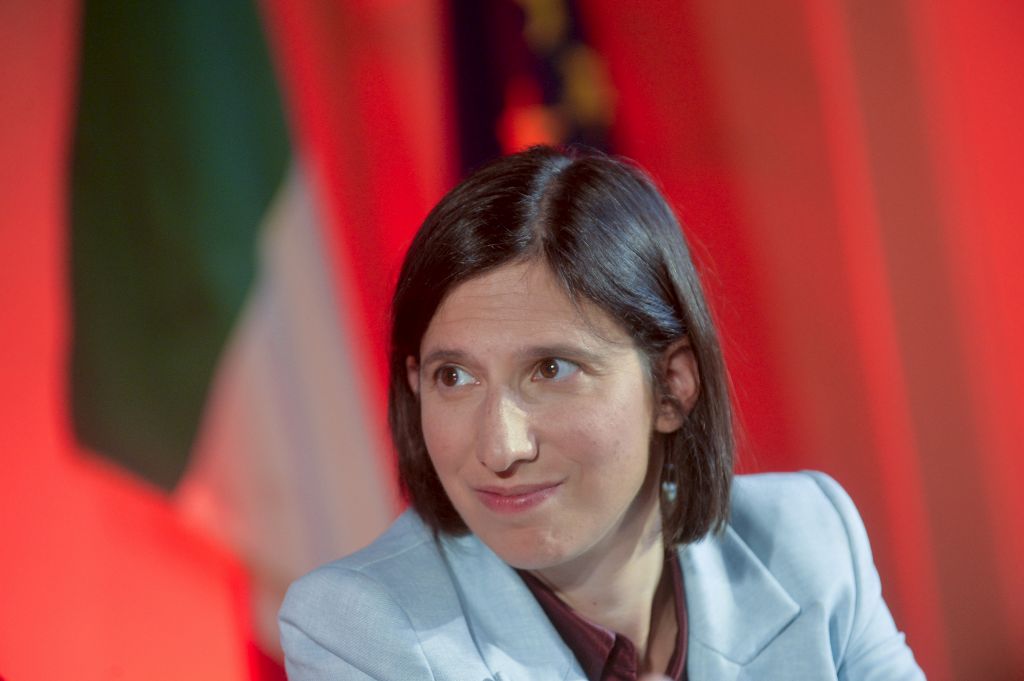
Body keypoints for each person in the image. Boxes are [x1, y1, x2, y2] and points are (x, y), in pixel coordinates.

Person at [278, 146, 925, 680]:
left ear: (671, 387)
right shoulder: (359, 630)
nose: (500, 448)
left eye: (551, 369)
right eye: (455, 377)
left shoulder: (809, 536)